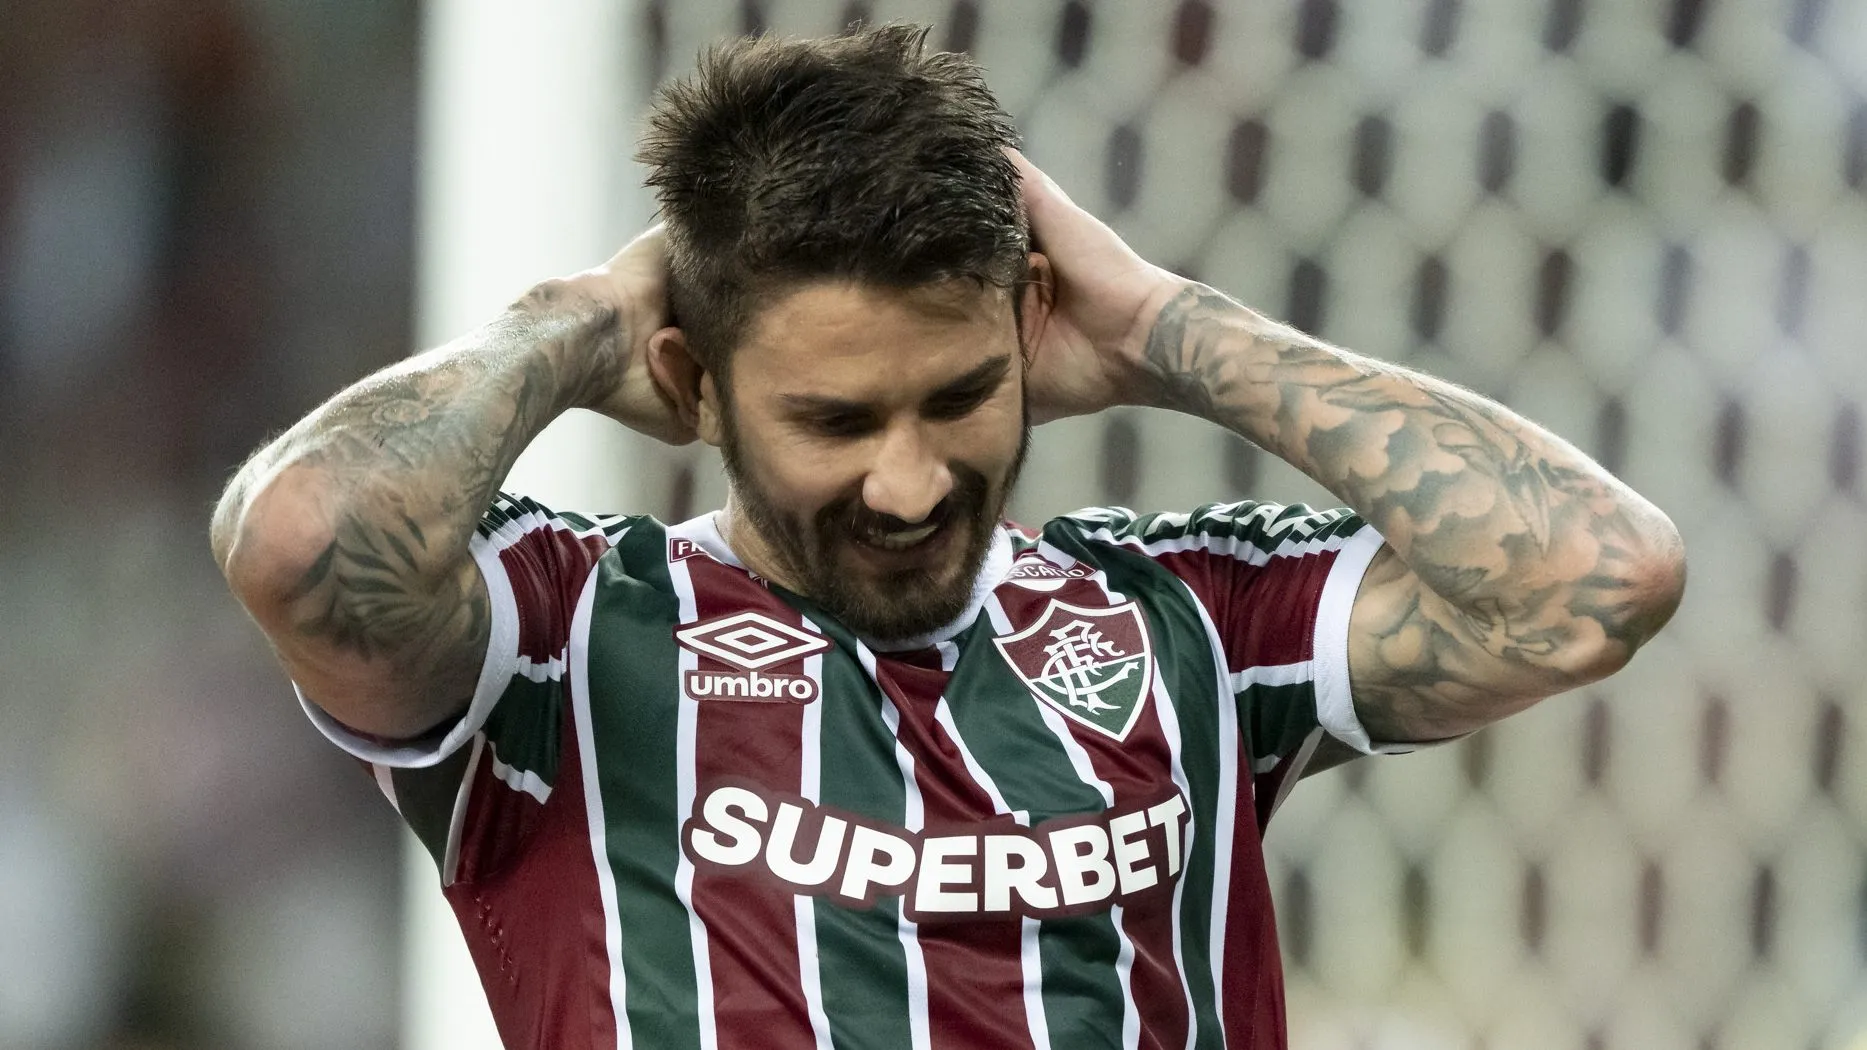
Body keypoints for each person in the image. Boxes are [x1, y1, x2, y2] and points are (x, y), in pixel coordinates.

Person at [210, 24, 1684, 1050]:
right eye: (837, 421)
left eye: (963, 395)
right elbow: (299, 539)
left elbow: (1591, 579)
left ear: (1030, 336)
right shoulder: (564, 639)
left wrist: (1171, 329)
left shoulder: (1184, 623)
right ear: (692, 384)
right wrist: (574, 323)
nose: (911, 482)